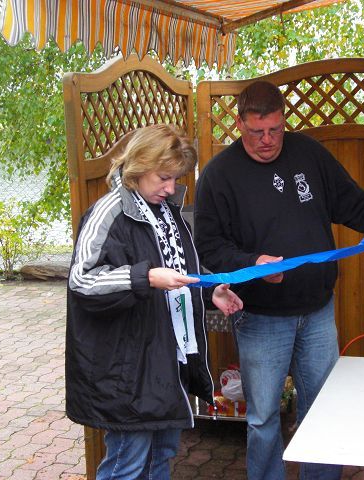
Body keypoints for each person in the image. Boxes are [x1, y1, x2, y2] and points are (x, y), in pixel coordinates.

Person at [194, 81, 364, 480]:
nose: (267, 140)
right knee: (263, 417)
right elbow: (208, 246)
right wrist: (253, 264)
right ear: (239, 123)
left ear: (284, 121)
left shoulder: (308, 153)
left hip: (317, 311)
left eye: (275, 129)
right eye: (257, 131)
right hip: (260, 317)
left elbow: (349, 200)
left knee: (324, 408)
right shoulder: (219, 175)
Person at [65, 124, 243, 480]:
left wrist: (209, 292)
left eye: (175, 179)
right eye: (164, 178)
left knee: (161, 457)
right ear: (139, 167)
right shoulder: (108, 212)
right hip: (127, 372)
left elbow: (179, 272)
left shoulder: (166, 210)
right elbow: (81, 281)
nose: (171, 188)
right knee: (127, 466)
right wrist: (144, 277)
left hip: (167, 360)